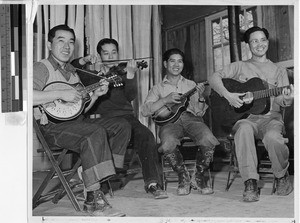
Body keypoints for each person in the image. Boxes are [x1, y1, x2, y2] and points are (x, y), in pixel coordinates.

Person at [33, 24, 131, 216]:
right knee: (94, 132)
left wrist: (95, 95)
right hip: (52, 128)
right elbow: (25, 96)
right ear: (49, 44)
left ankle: (102, 177)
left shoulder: (73, 73)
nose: (67, 46)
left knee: (122, 125)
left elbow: (78, 110)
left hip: (76, 124)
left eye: (71, 42)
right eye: (61, 41)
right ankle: (93, 198)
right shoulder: (41, 67)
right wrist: (62, 93)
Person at [71, 38, 168, 199]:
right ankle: (101, 179)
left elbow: (130, 96)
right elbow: (72, 68)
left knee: (146, 135)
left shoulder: (122, 73)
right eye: (106, 53)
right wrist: (85, 60)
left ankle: (152, 183)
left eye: (114, 52)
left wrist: (130, 75)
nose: (110, 56)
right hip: (100, 119)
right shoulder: (90, 75)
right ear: (99, 55)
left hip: (126, 117)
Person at [208, 26, 294, 202]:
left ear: (267, 42)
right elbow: (213, 77)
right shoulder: (240, 66)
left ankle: (281, 175)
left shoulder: (279, 71)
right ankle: (250, 181)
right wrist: (229, 96)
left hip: (272, 118)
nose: (259, 44)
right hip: (246, 118)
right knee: (244, 130)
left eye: (262, 40)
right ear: (249, 45)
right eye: (254, 41)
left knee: (273, 138)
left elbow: (281, 101)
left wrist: (288, 98)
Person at [141, 48, 219, 196]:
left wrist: (201, 97)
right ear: (165, 63)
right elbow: (145, 111)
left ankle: (199, 177)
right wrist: (165, 99)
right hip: (169, 124)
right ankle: (183, 176)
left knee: (209, 139)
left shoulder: (191, 85)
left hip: (191, 119)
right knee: (167, 143)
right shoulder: (157, 88)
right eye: (172, 61)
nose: (176, 64)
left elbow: (199, 112)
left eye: (180, 61)